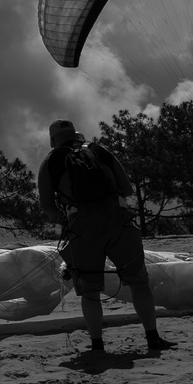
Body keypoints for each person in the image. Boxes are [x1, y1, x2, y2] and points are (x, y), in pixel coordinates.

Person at [37, 120, 174, 355]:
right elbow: (127, 189)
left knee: (90, 291)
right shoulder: (98, 150)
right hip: (118, 222)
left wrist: (68, 219)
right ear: (75, 135)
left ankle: (98, 346)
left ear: (53, 140)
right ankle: (153, 338)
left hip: (83, 229)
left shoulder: (51, 161)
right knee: (139, 283)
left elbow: (47, 206)